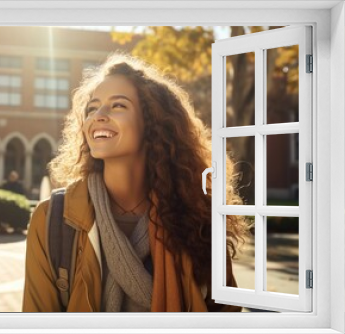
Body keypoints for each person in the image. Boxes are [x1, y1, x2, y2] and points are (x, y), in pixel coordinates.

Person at [22, 53, 248, 312]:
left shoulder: (197, 217)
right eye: (92, 108)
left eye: (118, 105)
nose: (99, 116)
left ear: (152, 122)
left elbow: (225, 315)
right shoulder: (52, 219)